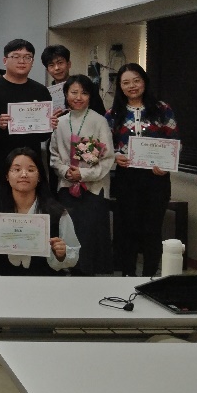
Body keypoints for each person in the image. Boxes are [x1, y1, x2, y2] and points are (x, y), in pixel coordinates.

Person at [0, 147, 80, 358]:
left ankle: (31, 333)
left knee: (28, 348)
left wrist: (61, 254)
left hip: (40, 280)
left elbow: (73, 255)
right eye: (16, 169)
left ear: (40, 176)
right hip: (1, 276)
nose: (24, 174)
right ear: (7, 176)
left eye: (31, 169)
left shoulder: (57, 212)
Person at [106, 63, 179, 277]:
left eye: (136, 80)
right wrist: (115, 157)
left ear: (144, 82)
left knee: (152, 229)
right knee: (128, 228)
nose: (132, 86)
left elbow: (175, 141)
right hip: (127, 178)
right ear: (120, 86)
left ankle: (150, 275)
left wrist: (166, 165)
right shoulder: (113, 114)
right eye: (126, 82)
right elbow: (104, 147)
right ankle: (128, 274)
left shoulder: (162, 109)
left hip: (156, 178)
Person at [50, 75, 115, 275]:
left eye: (84, 93)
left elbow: (108, 158)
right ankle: (70, 273)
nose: (78, 97)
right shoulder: (60, 123)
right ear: (66, 94)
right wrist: (65, 171)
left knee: (90, 236)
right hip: (66, 187)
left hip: (94, 188)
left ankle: (89, 277)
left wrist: (83, 174)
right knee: (69, 233)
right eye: (74, 92)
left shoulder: (99, 121)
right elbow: (54, 156)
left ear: (90, 96)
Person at [0, 39, 54, 182]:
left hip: (31, 160)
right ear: (5, 60)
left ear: (32, 62)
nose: (22, 61)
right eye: (16, 56)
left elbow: (43, 136)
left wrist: (50, 125)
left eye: (27, 57)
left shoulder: (40, 91)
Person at [41, 44, 106, 116]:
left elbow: (100, 114)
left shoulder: (87, 86)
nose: (57, 68)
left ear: (69, 64)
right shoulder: (45, 94)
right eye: (51, 65)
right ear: (47, 70)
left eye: (60, 63)